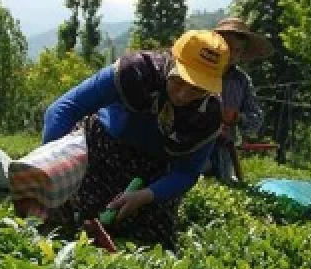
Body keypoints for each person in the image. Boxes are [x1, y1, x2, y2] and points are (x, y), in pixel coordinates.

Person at [41, 30, 229, 248]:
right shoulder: (135, 71)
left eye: (197, 90)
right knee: (73, 218)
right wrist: (54, 169)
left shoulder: (210, 115)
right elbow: (63, 110)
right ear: (172, 60)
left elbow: (186, 172)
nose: (183, 95)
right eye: (179, 81)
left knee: (153, 242)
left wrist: (145, 196)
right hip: (103, 150)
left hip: (154, 173)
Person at [205, 17, 272, 184]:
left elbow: (256, 120)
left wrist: (237, 118)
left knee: (224, 189)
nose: (231, 54)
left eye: (237, 50)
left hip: (224, 153)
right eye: (227, 47)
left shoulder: (241, 81)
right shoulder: (199, 71)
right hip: (192, 148)